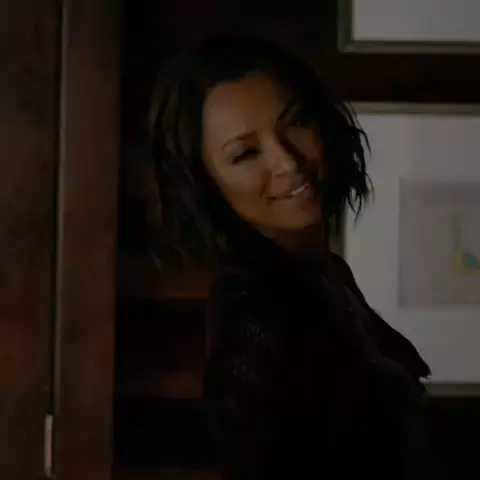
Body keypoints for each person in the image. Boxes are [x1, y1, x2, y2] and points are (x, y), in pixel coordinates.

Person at [149, 35, 431, 480]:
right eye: (246, 153)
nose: (288, 161)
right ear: (205, 184)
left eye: (296, 121)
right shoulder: (255, 313)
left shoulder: (321, 275)